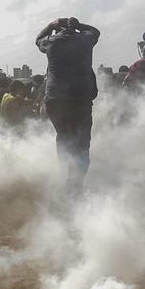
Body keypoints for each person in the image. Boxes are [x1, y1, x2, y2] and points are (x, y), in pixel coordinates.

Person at [36, 16, 100, 191]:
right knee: (82, 143)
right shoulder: (85, 39)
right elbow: (96, 32)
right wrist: (80, 25)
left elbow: (37, 40)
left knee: (64, 138)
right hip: (81, 99)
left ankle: (65, 177)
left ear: (57, 31)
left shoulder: (52, 42)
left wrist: (51, 24)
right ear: (76, 28)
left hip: (56, 100)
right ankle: (75, 184)